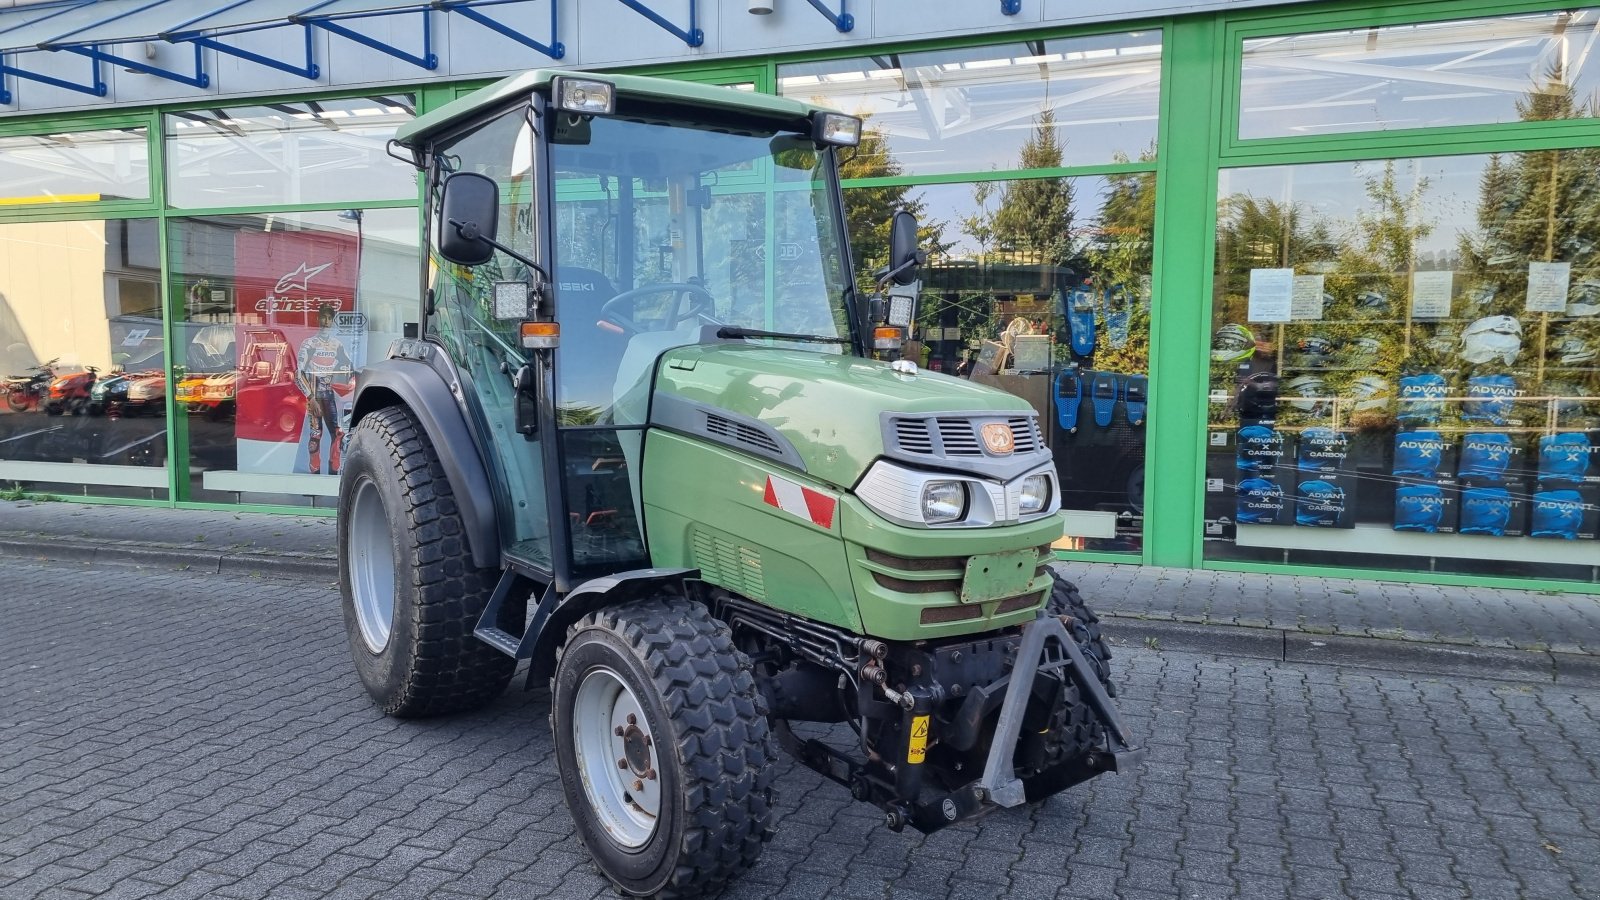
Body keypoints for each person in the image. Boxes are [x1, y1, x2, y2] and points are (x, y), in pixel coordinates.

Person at [296, 304, 353, 475]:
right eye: (323, 317)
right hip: (314, 397)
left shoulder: (337, 345)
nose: (326, 321)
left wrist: (346, 390)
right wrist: (311, 398)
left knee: (338, 435)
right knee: (315, 437)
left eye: (330, 318)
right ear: (317, 318)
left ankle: (333, 478)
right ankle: (314, 479)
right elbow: (298, 374)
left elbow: (350, 369)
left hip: (331, 397)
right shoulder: (309, 344)